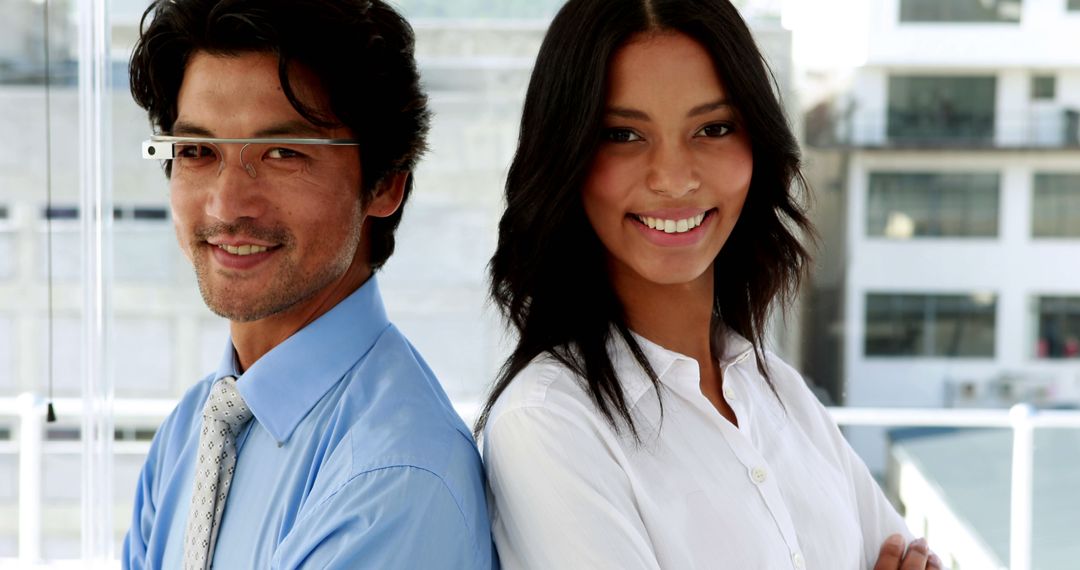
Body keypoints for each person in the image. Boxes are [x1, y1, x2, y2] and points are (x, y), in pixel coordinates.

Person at [477, 0, 939, 568]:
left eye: (713, 129)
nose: (674, 179)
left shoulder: (781, 395)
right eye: (623, 135)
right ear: (566, 155)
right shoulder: (548, 423)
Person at [122, 0, 495, 568]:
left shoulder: (392, 479)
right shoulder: (190, 433)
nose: (227, 205)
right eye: (198, 151)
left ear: (385, 184)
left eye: (281, 153)